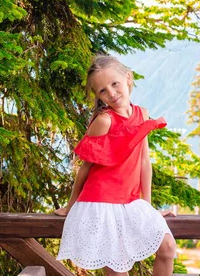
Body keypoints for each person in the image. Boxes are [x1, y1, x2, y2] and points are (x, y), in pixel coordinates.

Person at [55, 54, 176, 275]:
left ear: (127, 79)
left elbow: (144, 161)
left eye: (114, 84)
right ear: (98, 96)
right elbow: (86, 168)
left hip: (130, 201)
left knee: (167, 248)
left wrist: (147, 208)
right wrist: (71, 205)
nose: (111, 93)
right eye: (102, 90)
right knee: (118, 271)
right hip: (101, 203)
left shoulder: (142, 115)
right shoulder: (104, 121)